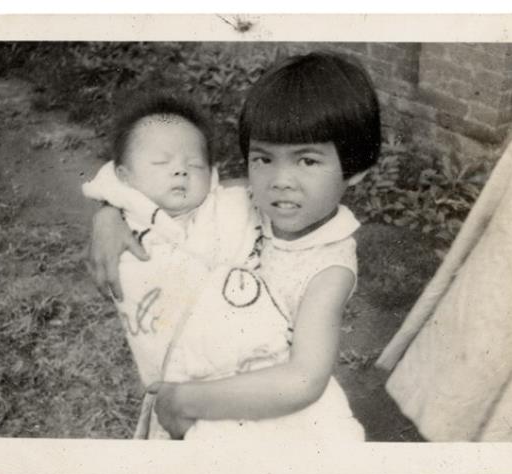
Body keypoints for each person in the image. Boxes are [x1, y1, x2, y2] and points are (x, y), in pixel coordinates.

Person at [89, 52, 381, 444]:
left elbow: (304, 380)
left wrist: (184, 400)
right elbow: (151, 195)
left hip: (251, 415)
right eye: (263, 158)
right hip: (193, 377)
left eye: (308, 161)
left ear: (355, 168)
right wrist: (108, 215)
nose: (280, 180)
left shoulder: (329, 267)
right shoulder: (245, 199)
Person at [83, 92, 286, 438]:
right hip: (179, 388)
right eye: (161, 162)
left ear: (212, 174)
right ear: (124, 177)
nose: (180, 170)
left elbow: (266, 189)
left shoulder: (229, 208)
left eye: (194, 164)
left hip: (249, 375)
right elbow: (106, 184)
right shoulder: (125, 228)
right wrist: (107, 212)